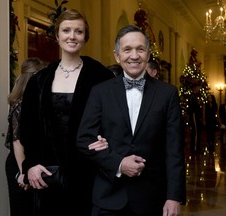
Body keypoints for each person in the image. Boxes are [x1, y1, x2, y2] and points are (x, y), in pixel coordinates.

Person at [76, 25, 186, 216]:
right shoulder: (100, 92)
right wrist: (118, 163)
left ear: (148, 54)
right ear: (117, 56)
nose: (134, 56)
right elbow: (84, 139)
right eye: (127, 50)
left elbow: (174, 150)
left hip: (152, 199)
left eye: (140, 49)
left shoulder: (167, 94)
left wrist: (174, 197)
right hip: (108, 198)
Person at [19, 9, 114, 216]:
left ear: (85, 37)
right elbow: (27, 128)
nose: (72, 36)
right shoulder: (39, 80)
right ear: (57, 35)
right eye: (66, 30)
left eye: (78, 31)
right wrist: (31, 165)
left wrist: (107, 140)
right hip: (46, 175)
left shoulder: (102, 76)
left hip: (89, 174)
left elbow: (116, 121)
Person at [5, 58, 47, 216]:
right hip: (20, 163)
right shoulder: (20, 104)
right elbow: (17, 141)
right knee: (22, 209)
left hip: (33, 163)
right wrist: (24, 171)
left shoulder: (37, 103)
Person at [189, 85, 204, 154]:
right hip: (194, 116)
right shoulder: (192, 97)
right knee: (195, 132)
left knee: (197, 132)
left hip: (197, 117)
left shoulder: (195, 97)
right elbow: (192, 108)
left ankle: (197, 148)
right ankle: (194, 149)